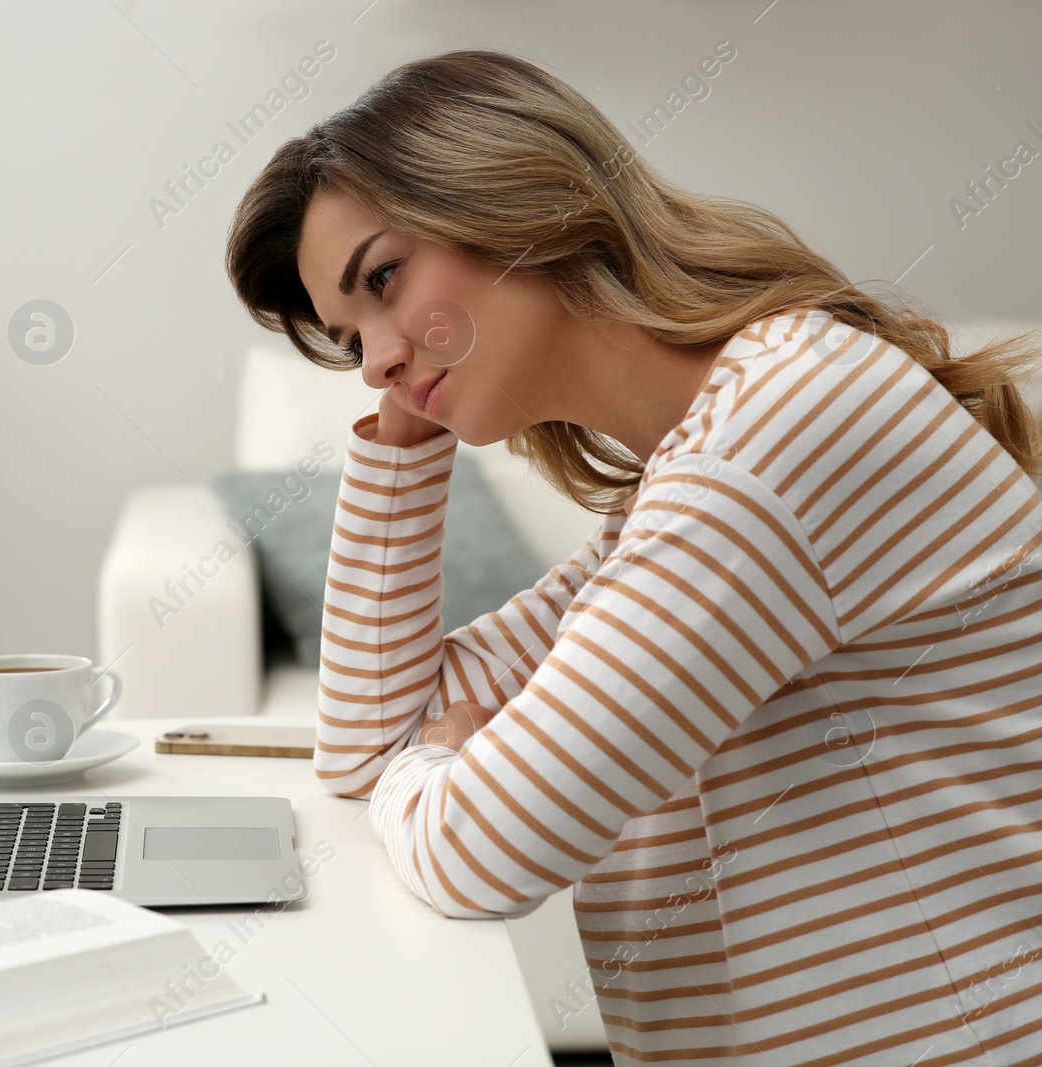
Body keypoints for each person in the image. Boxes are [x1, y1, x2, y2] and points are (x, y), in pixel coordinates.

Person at [224, 48, 1042, 1066]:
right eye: (351, 340)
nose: (377, 357)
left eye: (384, 280)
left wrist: (452, 763)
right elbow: (361, 741)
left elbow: (480, 847)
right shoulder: (681, 481)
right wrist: (402, 443)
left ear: (519, 200)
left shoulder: (770, 442)